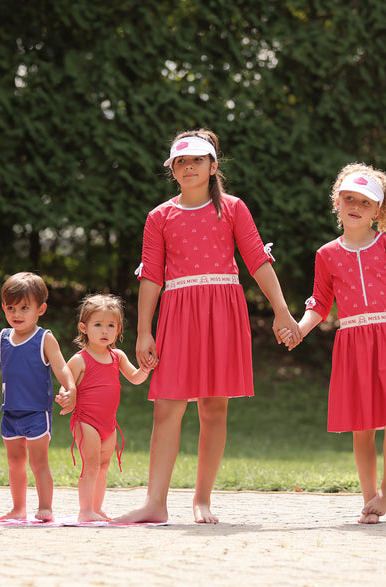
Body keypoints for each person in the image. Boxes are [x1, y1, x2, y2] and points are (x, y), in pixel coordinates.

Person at [115, 130, 301, 525]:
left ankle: (203, 500)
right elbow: (151, 277)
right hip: (178, 312)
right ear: (173, 170)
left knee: (214, 409)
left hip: (223, 311)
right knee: (167, 408)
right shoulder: (159, 217)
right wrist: (144, 331)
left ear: (214, 166)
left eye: (197, 160)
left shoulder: (233, 208)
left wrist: (282, 311)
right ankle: (155, 504)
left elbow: (257, 261)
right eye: (180, 161)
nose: (188, 167)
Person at [284, 163, 386, 524]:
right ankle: (369, 497)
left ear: (378, 210)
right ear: (337, 203)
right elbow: (320, 302)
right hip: (354, 343)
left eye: (364, 201)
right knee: (363, 425)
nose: (355, 206)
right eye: (349, 198)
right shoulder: (326, 254)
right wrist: (299, 328)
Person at [0, 272, 77, 522]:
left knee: (39, 463)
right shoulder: (3, 337)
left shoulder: (44, 338)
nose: (16, 313)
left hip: (37, 412)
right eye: (11, 307)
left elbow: (61, 368)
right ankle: (18, 509)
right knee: (15, 463)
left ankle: (45, 507)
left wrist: (70, 388)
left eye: (24, 308)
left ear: (41, 309)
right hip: (10, 413)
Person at [64, 293, 149, 522]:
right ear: (84, 327)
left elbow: (135, 378)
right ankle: (85, 511)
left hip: (109, 424)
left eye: (111, 325)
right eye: (98, 325)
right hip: (85, 421)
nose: (105, 331)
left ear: (118, 329)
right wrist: (65, 398)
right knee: (90, 464)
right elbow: (67, 387)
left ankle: (96, 507)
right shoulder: (79, 360)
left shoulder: (117, 356)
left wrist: (145, 369)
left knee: (103, 466)